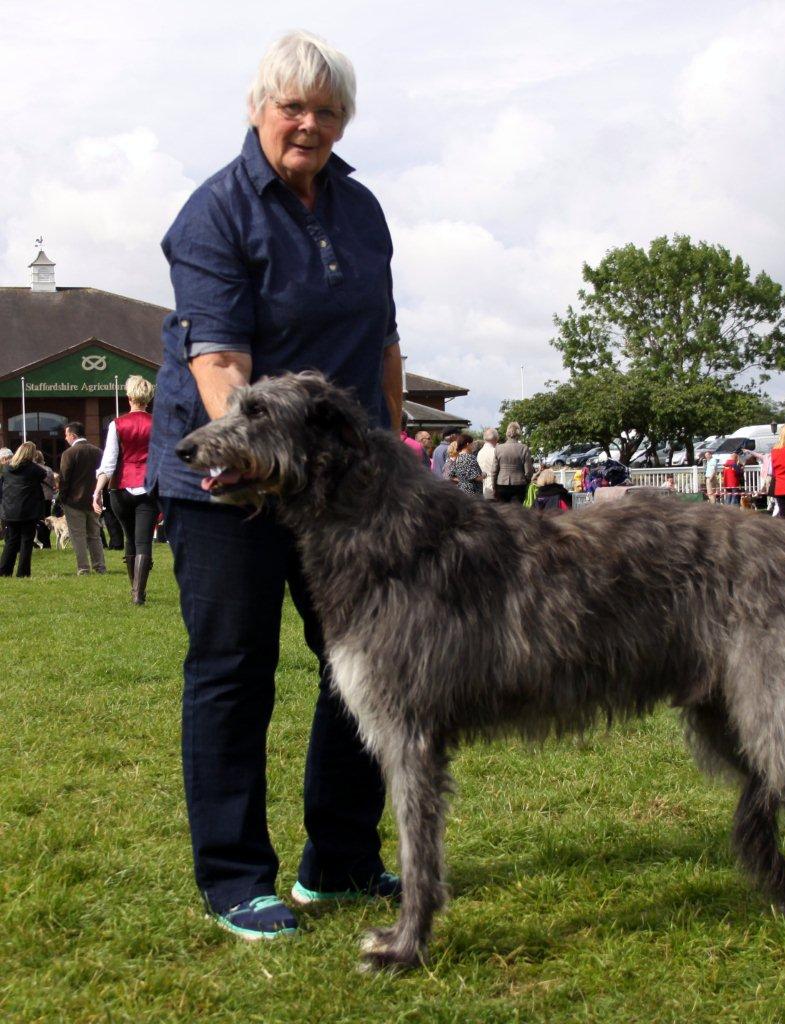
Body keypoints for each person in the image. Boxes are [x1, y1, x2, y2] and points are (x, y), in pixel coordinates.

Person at [145, 31, 400, 941]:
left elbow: (381, 344)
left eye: (328, 110)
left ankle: (339, 861)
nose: (310, 123)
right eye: (294, 106)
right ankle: (235, 880)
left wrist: (393, 447)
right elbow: (219, 364)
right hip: (231, 485)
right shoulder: (214, 214)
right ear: (259, 110)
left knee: (365, 663)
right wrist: (254, 465)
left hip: (345, 488)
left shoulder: (362, 210)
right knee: (234, 669)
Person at [93, 375, 158, 604]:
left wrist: (97, 491)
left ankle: (134, 588)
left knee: (129, 538)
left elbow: (109, 462)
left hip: (120, 489)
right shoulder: (158, 424)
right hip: (149, 488)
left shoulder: (117, 424)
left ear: (129, 397)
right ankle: (138, 594)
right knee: (144, 541)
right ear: (149, 399)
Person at [59, 422, 107, 576]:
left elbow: (64, 479)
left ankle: (83, 568)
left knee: (78, 536)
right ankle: (100, 567)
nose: (65, 438)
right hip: (94, 499)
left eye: (66, 435)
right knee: (95, 535)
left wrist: (62, 499)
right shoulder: (98, 452)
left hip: (74, 501)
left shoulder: (69, 454)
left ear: (73, 435)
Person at [0, 442, 48, 577]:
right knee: (26, 541)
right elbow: (44, 475)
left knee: (11, 541)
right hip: (28, 510)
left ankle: (4, 570)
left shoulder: (7, 468)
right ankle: (23, 572)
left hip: (10, 510)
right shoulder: (33, 469)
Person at [493, 422, 534, 504]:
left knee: (503, 511)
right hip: (519, 484)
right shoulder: (524, 448)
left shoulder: (498, 448)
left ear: (507, 433)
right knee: (518, 512)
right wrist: (527, 481)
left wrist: (494, 486)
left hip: (501, 484)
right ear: (518, 433)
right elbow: (528, 472)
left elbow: (494, 471)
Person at [476, 427, 499, 499]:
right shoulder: (496, 452)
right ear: (496, 438)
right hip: (495, 487)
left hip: (484, 487)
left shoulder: (480, 453)